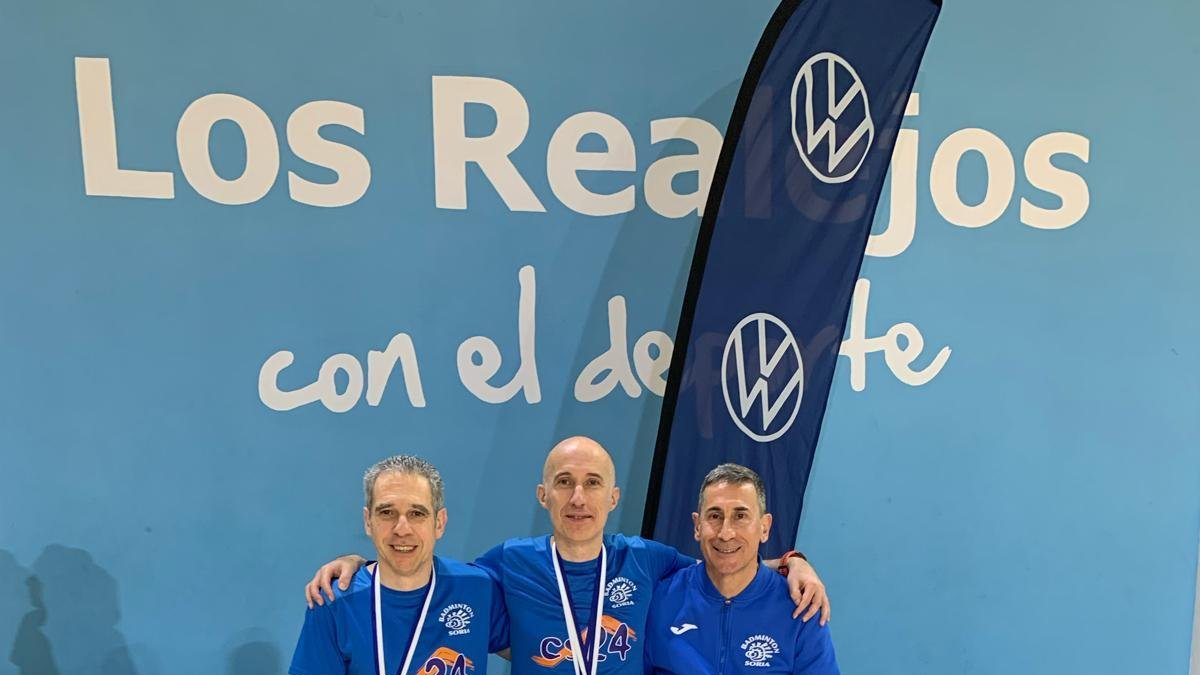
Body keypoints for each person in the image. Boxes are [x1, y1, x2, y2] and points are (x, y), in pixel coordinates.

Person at [306, 437, 830, 674]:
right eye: (564, 483)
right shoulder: (505, 565)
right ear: (544, 496)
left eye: (592, 483)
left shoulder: (648, 561)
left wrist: (789, 563)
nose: (578, 498)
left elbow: (723, 564)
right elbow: (414, 569)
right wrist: (357, 563)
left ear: (613, 497)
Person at [289, 455, 508, 675]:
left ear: (439, 523)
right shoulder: (335, 601)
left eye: (416, 514)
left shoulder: (477, 588)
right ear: (368, 521)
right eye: (387, 513)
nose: (402, 529)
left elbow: (535, 655)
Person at [643, 463, 839, 674]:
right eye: (715, 516)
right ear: (697, 526)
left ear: (764, 527)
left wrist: (794, 560)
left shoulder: (801, 610)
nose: (726, 533)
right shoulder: (658, 600)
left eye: (740, 516)